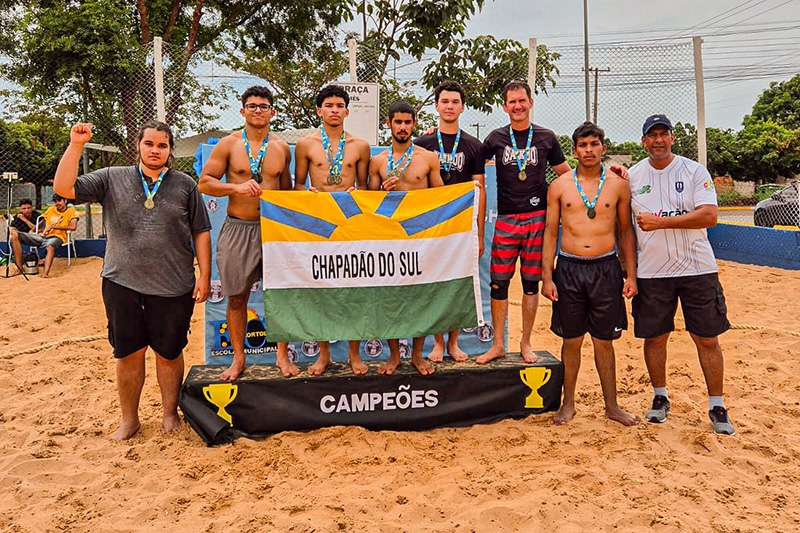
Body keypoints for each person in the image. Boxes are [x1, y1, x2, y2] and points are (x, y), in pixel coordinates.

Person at [53, 121, 211, 440]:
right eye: (149, 144)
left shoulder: (185, 185)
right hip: (121, 281)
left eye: (162, 145)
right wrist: (76, 144)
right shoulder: (112, 177)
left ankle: (169, 413)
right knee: (128, 353)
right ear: (138, 145)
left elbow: (201, 231)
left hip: (174, 284)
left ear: (170, 150)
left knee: (169, 353)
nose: (155, 150)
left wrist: (205, 274)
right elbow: (64, 188)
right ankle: (130, 420)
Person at [629, 114, 735, 436]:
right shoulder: (632, 177)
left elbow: (709, 215)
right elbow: (624, 227)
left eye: (664, 134)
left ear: (672, 138)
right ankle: (660, 397)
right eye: (652, 135)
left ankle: (716, 404)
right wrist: (628, 271)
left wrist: (660, 223)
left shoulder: (693, 171)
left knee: (706, 338)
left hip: (697, 268)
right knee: (655, 337)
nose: (658, 140)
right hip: (652, 271)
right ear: (644, 141)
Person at [541, 122, 640, 426]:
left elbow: (625, 230)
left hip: (605, 268)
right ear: (574, 151)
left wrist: (631, 275)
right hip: (569, 268)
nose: (588, 150)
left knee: (603, 341)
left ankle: (612, 406)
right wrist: (547, 276)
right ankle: (568, 404)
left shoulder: (617, 184)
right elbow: (549, 232)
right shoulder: (559, 186)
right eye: (583, 145)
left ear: (603, 148)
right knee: (571, 340)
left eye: (594, 144)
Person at [199, 86, 297, 381]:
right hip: (238, 227)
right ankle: (238, 359)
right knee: (237, 297)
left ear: (272, 112)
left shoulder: (281, 149)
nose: (257, 110)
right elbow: (205, 183)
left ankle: (282, 355)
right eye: (252, 106)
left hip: (273, 229)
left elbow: (288, 193)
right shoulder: (228, 145)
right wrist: (236, 187)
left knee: (281, 294)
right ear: (242, 111)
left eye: (263, 106)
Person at [478, 80, 571, 365]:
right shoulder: (495, 138)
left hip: (537, 220)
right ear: (504, 106)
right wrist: (432, 137)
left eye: (522, 100)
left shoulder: (546, 137)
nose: (517, 106)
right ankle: (497, 345)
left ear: (530, 103)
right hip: (505, 219)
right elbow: (470, 162)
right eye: (512, 102)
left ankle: (526, 342)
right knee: (498, 284)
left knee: (531, 285)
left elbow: (567, 175)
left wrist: (606, 174)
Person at [294, 84, 372, 376]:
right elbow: (298, 184)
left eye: (340, 105)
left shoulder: (360, 146)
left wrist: (357, 191)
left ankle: (354, 354)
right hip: (319, 223)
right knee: (321, 289)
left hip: (350, 223)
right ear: (319, 110)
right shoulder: (305, 144)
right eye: (329, 105)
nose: (335, 110)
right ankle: (323, 354)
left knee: (352, 289)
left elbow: (365, 186)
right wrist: (307, 192)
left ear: (347, 111)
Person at [368, 100, 444, 375]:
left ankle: (417, 355)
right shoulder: (377, 162)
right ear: (388, 124)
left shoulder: (428, 158)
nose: (402, 127)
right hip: (388, 238)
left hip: (420, 237)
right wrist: (382, 193)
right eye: (397, 122)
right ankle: (393, 355)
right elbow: (369, 205)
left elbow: (441, 198)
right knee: (391, 297)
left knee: (419, 297)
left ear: (414, 124)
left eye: (407, 122)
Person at [413, 80, 486, 363]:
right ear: (436, 106)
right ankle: (437, 343)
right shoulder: (422, 143)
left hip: (460, 226)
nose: (450, 106)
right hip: (430, 225)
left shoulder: (474, 146)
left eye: (455, 102)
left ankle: (454, 342)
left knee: (457, 284)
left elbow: (480, 191)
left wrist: (479, 233)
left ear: (462, 107)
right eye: (445, 101)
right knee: (432, 282)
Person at [10, 194, 78, 278]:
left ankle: (45, 273)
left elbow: (73, 227)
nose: (57, 203)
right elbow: (42, 220)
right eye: (55, 201)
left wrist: (52, 226)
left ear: (65, 201)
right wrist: (34, 230)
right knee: (14, 235)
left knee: (50, 246)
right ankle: (20, 269)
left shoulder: (71, 211)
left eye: (59, 201)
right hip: (43, 237)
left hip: (58, 237)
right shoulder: (51, 209)